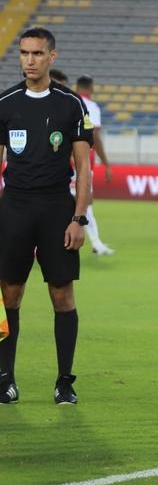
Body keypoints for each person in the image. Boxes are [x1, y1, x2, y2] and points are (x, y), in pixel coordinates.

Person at [0, 27, 94, 405]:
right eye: (24, 53)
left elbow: (83, 169)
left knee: (62, 295)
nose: (29, 61)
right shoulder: (5, 102)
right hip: (15, 206)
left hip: (57, 207)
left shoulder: (71, 104)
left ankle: (64, 382)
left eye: (37, 53)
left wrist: (80, 218)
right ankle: (5, 377)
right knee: (10, 293)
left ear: (52, 57)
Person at [74, 75, 114, 255]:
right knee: (85, 202)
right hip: (81, 161)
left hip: (61, 160)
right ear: (91, 89)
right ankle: (96, 243)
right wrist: (106, 163)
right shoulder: (91, 106)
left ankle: (97, 243)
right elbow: (95, 137)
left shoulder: (67, 101)